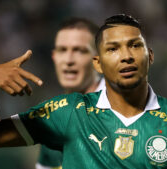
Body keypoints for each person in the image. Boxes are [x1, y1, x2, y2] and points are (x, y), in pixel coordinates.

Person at [0, 14, 167, 168]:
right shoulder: (69, 112)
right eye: (113, 49)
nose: (126, 56)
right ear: (97, 63)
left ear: (149, 56)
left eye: (134, 46)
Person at [36, 18, 105, 169]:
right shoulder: (52, 118)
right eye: (62, 50)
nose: (68, 60)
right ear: (54, 57)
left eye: (79, 50)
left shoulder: (124, 108)